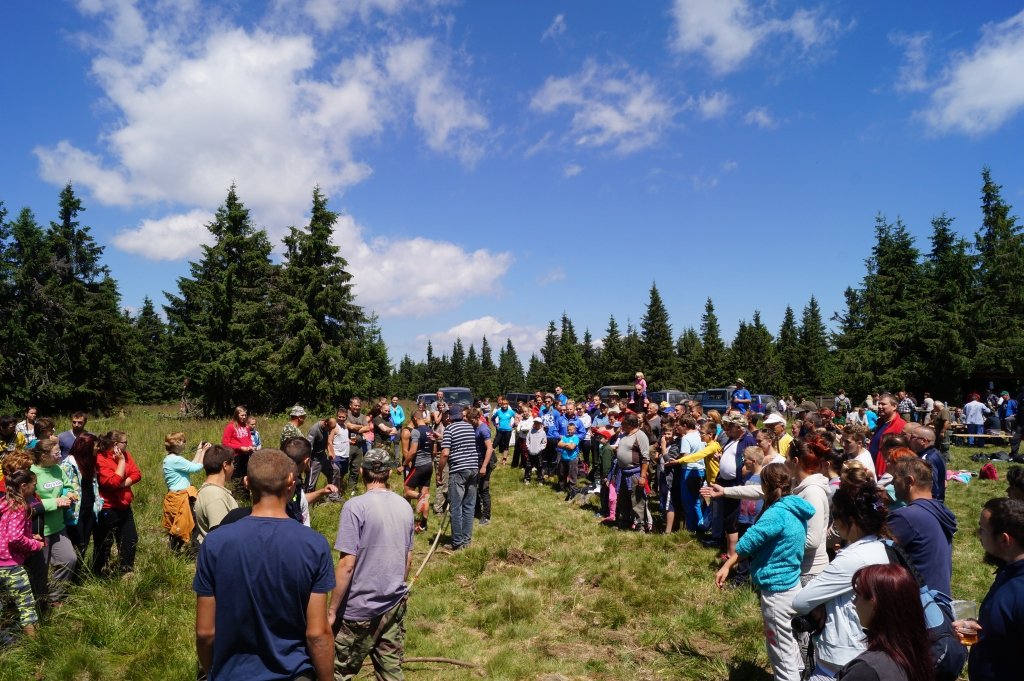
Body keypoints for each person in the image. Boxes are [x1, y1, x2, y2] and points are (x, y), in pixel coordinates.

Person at [194, 449, 335, 680]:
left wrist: (212, 672)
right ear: (291, 483)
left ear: (246, 483)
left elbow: (205, 632)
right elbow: (318, 634)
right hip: (293, 672)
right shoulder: (314, 545)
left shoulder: (214, 543)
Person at [715, 464, 814, 681]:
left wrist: (726, 565)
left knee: (781, 655)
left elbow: (748, 542)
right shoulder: (795, 507)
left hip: (777, 592)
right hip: (793, 585)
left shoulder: (776, 513)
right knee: (791, 644)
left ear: (765, 486)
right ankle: (800, 675)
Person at [329, 447, 414, 680]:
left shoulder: (354, 507)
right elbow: (407, 559)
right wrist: (397, 587)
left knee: (335, 671)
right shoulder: (405, 506)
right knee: (390, 672)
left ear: (361, 471)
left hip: (358, 609)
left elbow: (347, 564)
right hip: (393, 603)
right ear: (389, 473)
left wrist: (332, 610)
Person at [792, 482, 891, 680]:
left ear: (851, 520)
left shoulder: (852, 558)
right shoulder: (881, 546)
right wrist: (822, 602)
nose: (834, 522)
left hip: (840, 658)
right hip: (865, 650)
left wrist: (818, 602)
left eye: (836, 515)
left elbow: (800, 601)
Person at [949, 497, 1024, 681]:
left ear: (1004, 539)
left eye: (982, 529)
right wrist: (982, 630)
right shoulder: (1009, 569)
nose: (978, 534)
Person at [836, 564, 934, 681]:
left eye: (858, 596)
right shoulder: (918, 656)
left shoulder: (866, 671)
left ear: (873, 605)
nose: (854, 603)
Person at [886, 456, 956, 595]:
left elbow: (874, 554)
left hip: (918, 601)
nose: (892, 483)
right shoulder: (939, 510)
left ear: (909, 481)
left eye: (895, 478)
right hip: (939, 598)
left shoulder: (906, 517)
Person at [29, 436, 78, 603]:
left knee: (68, 560)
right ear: (44, 456)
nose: (60, 456)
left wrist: (68, 493)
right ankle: (39, 603)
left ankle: (54, 597)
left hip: (58, 526)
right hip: (39, 530)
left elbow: (66, 485)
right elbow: (28, 503)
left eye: (59, 452)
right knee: (40, 570)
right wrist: (55, 502)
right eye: (56, 453)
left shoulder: (57, 469)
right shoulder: (31, 473)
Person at [0, 468, 45, 637]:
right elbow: (14, 538)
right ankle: (35, 647)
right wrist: (35, 544)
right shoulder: (19, 507)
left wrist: (29, 535)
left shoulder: (4, 503)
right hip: (11, 565)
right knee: (27, 609)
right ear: (24, 486)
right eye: (34, 485)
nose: (35, 488)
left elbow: (5, 531)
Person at [93, 431, 142, 576]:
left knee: (130, 538)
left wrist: (121, 484)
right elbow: (111, 483)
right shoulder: (101, 459)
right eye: (125, 442)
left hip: (124, 505)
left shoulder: (125, 455)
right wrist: (121, 462)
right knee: (104, 543)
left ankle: (126, 571)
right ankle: (100, 573)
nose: (127, 445)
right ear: (115, 444)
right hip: (108, 508)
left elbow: (137, 474)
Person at [439, 404, 479, 551]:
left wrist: (439, 472)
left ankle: (457, 542)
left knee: (456, 507)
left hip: (458, 471)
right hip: (473, 469)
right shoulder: (470, 427)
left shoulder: (449, 429)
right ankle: (466, 541)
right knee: (469, 506)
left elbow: (445, 453)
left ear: (450, 416)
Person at [161, 433, 206, 551]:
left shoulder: (171, 458)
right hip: (180, 497)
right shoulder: (175, 460)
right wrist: (204, 452)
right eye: (182, 441)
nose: (185, 443)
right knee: (187, 524)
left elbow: (191, 465)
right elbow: (196, 468)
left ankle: (174, 551)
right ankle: (194, 550)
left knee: (180, 524)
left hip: (178, 496)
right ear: (176, 444)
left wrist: (199, 450)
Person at [614, 412, 651, 532]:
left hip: (635, 473)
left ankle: (640, 526)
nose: (621, 425)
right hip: (623, 472)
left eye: (623, 423)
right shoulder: (624, 434)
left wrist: (642, 476)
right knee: (623, 499)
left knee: (637, 500)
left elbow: (645, 457)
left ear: (630, 424)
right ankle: (624, 522)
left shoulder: (640, 436)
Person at [193, 445, 237, 545]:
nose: (233, 467)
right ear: (225, 465)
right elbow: (221, 536)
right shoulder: (214, 495)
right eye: (232, 463)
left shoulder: (211, 491)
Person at [403, 413, 433, 533]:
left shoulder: (416, 431)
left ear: (415, 418)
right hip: (429, 465)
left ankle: (408, 519)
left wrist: (404, 464)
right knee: (425, 494)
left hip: (419, 466)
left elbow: (413, 451)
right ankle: (423, 525)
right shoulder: (430, 430)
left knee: (407, 492)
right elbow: (434, 450)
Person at [867, 393, 906, 477]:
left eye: (883, 404)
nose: (879, 406)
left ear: (894, 406)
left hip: (886, 473)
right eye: (879, 404)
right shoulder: (881, 423)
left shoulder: (901, 426)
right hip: (873, 469)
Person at [905, 424, 947, 502]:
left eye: (913, 437)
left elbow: (932, 483)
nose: (909, 439)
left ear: (924, 441)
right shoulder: (936, 453)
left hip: (928, 502)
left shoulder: (927, 458)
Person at [470, 408, 495, 525]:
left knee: (483, 489)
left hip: (484, 461)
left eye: (471, 420)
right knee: (474, 487)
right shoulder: (474, 427)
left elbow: (489, 448)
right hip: (476, 461)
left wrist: (484, 466)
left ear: (477, 417)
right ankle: (476, 511)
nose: (470, 422)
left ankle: (486, 516)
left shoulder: (484, 429)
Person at [222, 405, 254, 488]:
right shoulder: (230, 427)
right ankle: (236, 493)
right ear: (237, 415)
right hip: (235, 456)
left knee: (246, 476)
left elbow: (249, 439)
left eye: (245, 415)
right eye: (242, 415)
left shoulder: (246, 427)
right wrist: (240, 447)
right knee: (236, 477)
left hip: (246, 455)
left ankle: (245, 493)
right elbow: (225, 443)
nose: (244, 417)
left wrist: (250, 446)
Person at [492, 396, 517, 466]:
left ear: (508, 404)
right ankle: (491, 458)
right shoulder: (498, 411)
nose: (504, 405)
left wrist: (513, 425)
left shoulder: (511, 411)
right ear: (501, 405)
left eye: (506, 404)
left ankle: (504, 459)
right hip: (500, 431)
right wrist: (496, 424)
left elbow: (516, 418)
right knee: (494, 444)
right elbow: (492, 418)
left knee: (506, 445)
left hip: (508, 431)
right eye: (503, 404)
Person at [557, 422, 581, 495]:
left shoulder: (576, 438)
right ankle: (561, 488)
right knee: (561, 474)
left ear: (574, 430)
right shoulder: (565, 436)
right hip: (563, 458)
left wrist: (564, 445)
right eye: (568, 430)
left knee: (572, 475)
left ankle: (572, 490)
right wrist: (567, 444)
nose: (569, 431)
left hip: (572, 459)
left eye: (571, 430)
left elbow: (572, 447)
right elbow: (559, 444)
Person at [524, 417, 547, 485]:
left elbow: (544, 443)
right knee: (528, 466)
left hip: (538, 453)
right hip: (530, 452)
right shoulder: (530, 431)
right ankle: (527, 479)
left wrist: (540, 449)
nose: (536, 424)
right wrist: (528, 448)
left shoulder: (543, 433)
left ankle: (540, 480)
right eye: (535, 423)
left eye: (538, 423)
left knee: (540, 466)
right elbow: (527, 440)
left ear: (540, 424)